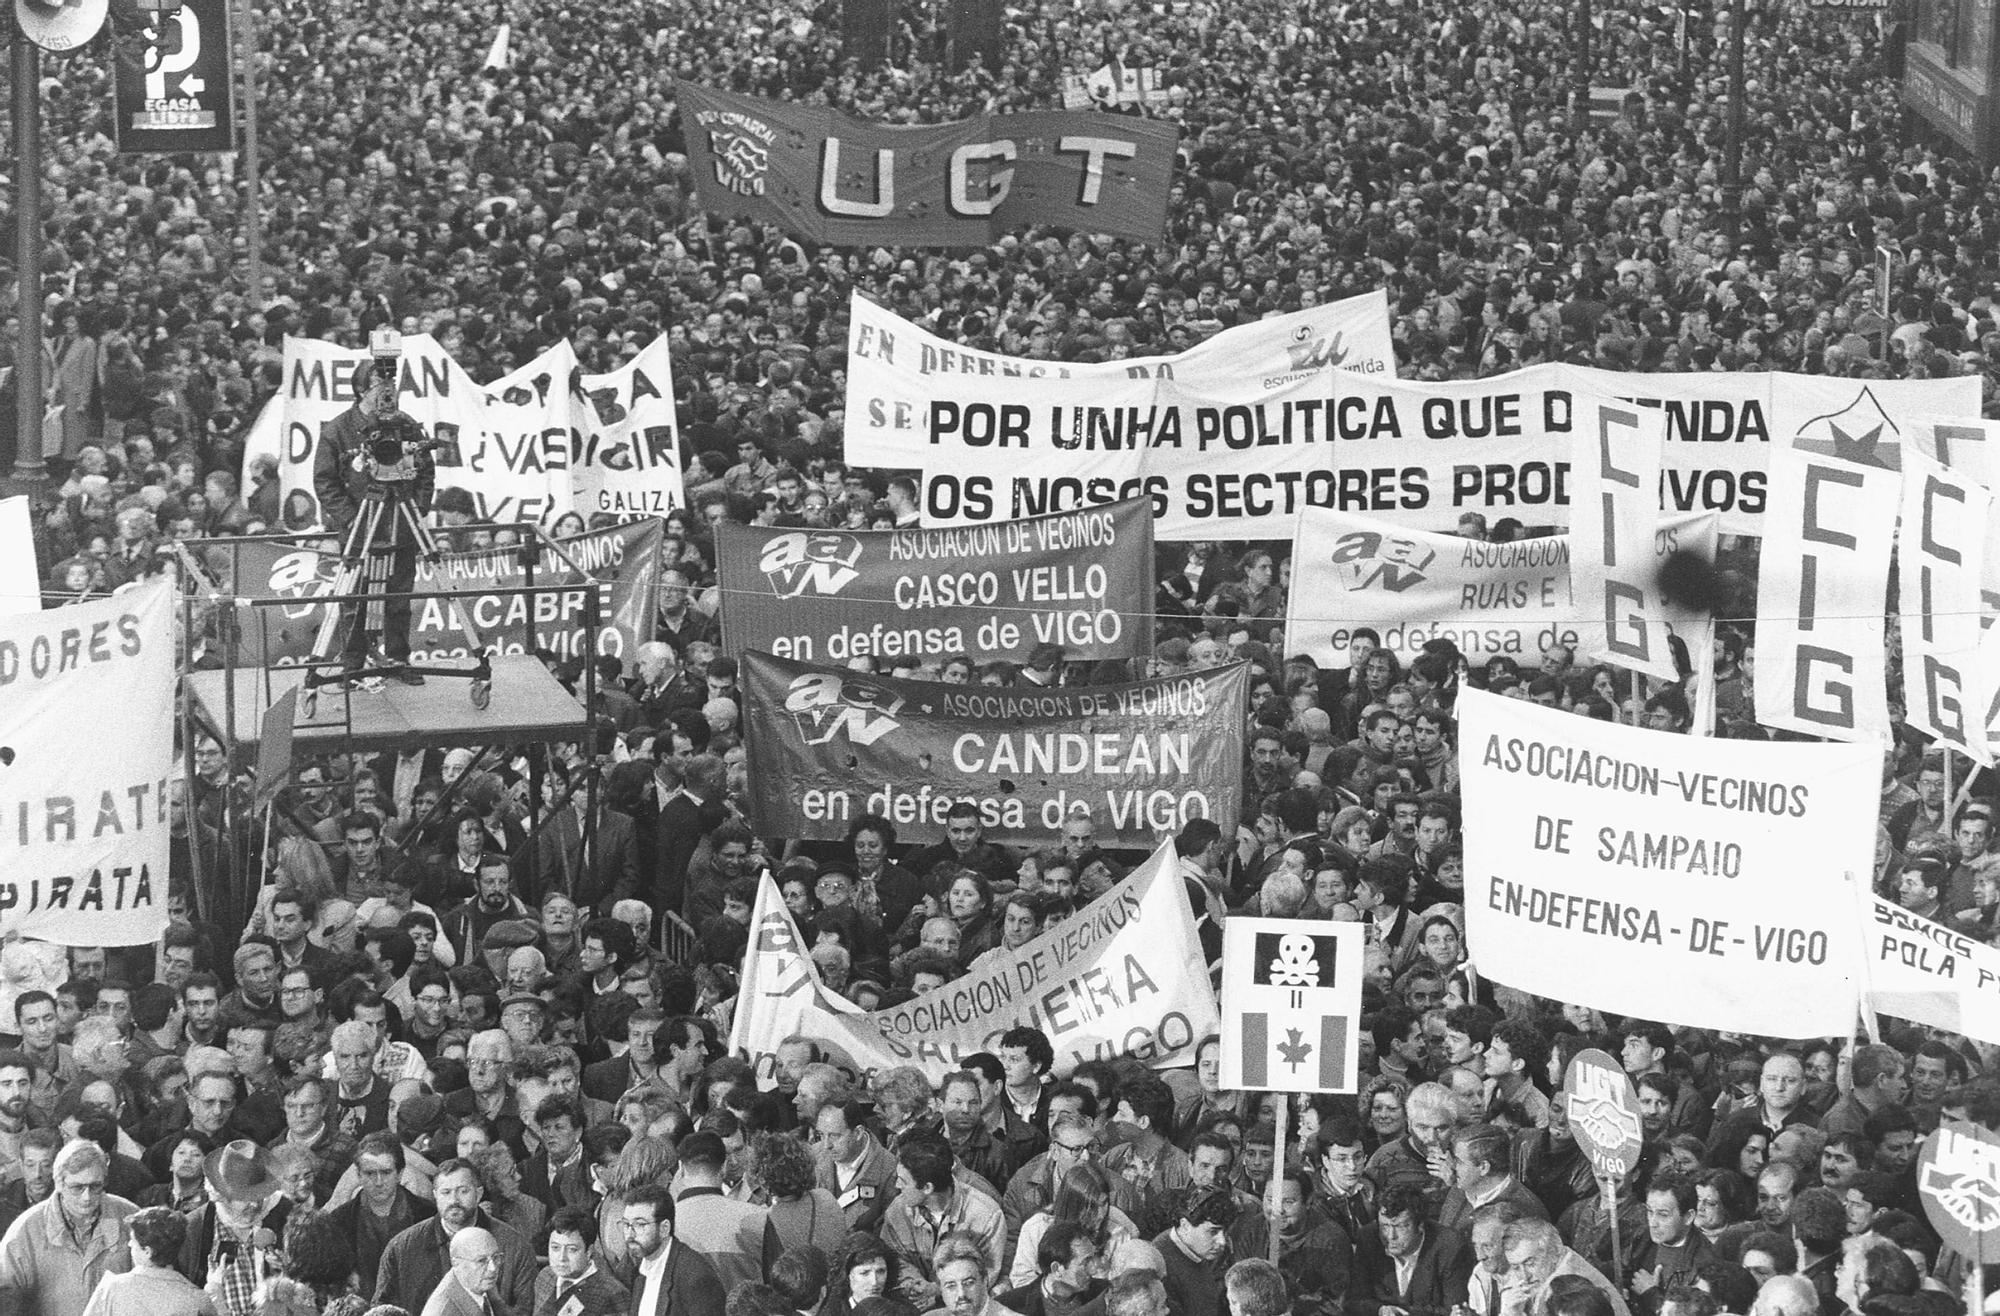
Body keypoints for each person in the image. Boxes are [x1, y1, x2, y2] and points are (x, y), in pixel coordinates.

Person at [311, 350, 436, 684]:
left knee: (399, 599)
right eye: (380, 381)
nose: (388, 388)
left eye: (391, 381)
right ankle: (353, 663)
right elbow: (325, 482)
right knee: (354, 599)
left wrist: (417, 508)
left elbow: (425, 470)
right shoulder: (338, 430)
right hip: (360, 528)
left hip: (401, 525)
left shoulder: (406, 424)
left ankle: (398, 659)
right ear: (361, 388)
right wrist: (351, 520)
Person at [0, 1139, 139, 1316]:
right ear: (58, 1183)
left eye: (95, 1186)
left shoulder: (129, 1217)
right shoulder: (25, 1229)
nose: (87, 1197)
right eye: (77, 1187)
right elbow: (5, 1298)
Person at [78, 1206, 214, 1316]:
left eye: (133, 1241)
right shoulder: (197, 1299)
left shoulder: (113, 1288)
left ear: (148, 1251)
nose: (129, 1244)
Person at [621, 1183, 726, 1316]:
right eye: (626, 1224)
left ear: (664, 1228)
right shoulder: (634, 1267)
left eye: (640, 1225)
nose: (630, 1234)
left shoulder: (695, 1276)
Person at [531, 1205, 629, 1316]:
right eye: (555, 1248)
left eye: (572, 1249)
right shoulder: (545, 1276)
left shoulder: (612, 1293)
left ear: (589, 1251)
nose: (562, 1258)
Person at [421, 1225, 506, 1316]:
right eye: (481, 1261)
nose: (492, 1268)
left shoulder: (480, 1284)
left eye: (496, 1257)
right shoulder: (443, 1311)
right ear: (456, 1263)